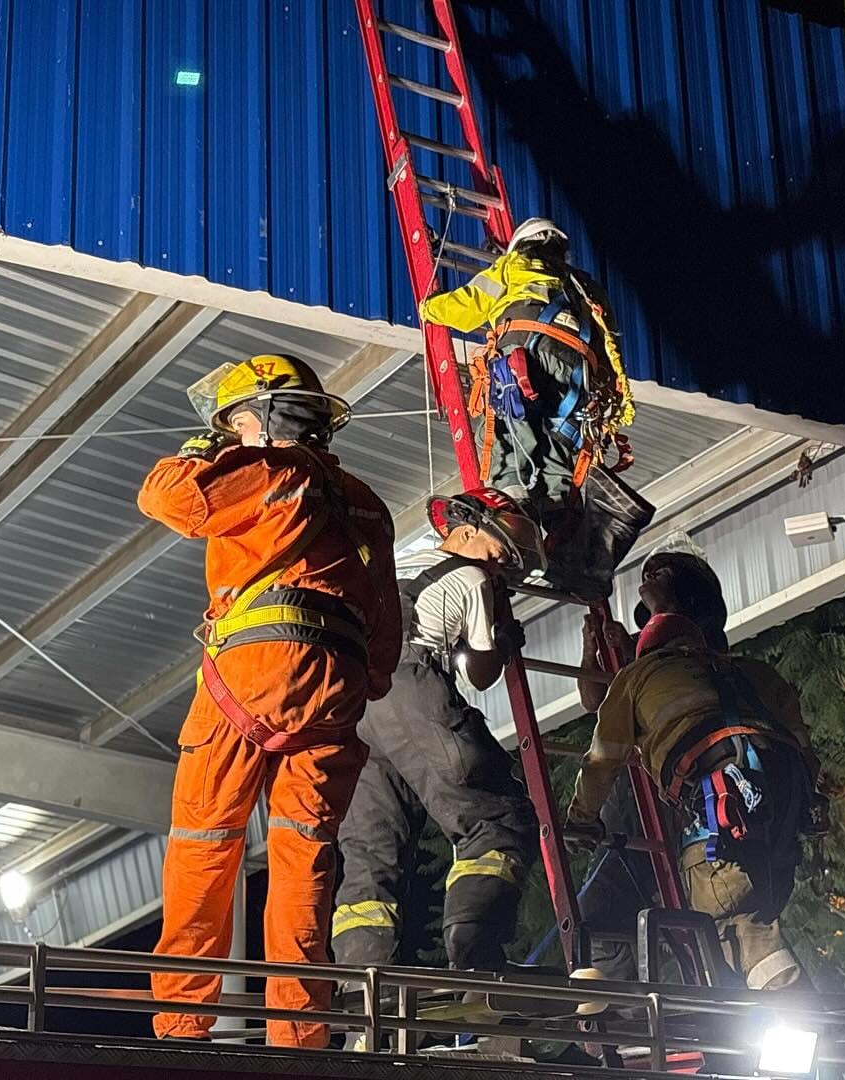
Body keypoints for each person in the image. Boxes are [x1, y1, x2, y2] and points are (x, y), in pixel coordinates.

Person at [138, 354, 402, 1048]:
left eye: (235, 424)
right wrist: (353, 686)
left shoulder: (268, 472)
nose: (231, 436)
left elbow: (167, 499)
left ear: (262, 419)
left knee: (205, 842)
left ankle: (182, 1026)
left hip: (253, 671)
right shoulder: (365, 501)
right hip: (336, 692)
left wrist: (198, 451)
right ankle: (302, 1037)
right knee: (304, 860)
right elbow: (384, 633)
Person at [565, 548, 820, 993]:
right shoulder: (755, 676)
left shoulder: (643, 677)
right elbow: (803, 752)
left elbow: (602, 754)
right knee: (749, 934)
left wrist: (580, 820)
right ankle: (800, 1040)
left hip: (709, 829)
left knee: (609, 920)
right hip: (774, 837)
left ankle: (624, 1028)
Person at [333, 489, 540, 977]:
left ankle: (367, 1000)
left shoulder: (399, 564)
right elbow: (483, 673)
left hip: (356, 707)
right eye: (499, 553)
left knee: (368, 855)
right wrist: (506, 636)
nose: (502, 568)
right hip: (409, 690)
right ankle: (477, 965)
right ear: (465, 532)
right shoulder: (470, 577)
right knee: (497, 820)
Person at [420, 217, 652, 600]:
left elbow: (469, 305)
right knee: (558, 446)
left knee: (510, 441)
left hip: (526, 359)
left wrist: (430, 308)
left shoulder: (515, 267)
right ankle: (561, 539)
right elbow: (607, 342)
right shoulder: (583, 284)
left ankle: (510, 525)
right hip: (576, 379)